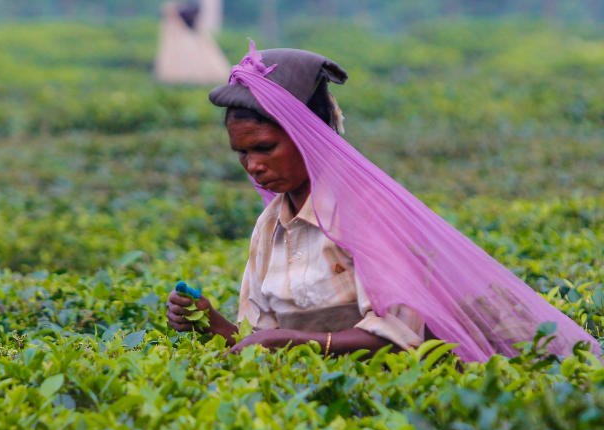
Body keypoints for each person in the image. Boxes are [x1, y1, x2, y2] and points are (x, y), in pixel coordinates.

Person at [166, 43, 600, 362]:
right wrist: (210, 323)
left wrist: (291, 343)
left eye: (265, 148)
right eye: (242, 153)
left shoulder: (367, 215)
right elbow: (258, 341)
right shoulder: (270, 227)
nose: (252, 166)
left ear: (308, 136)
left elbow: (401, 336)